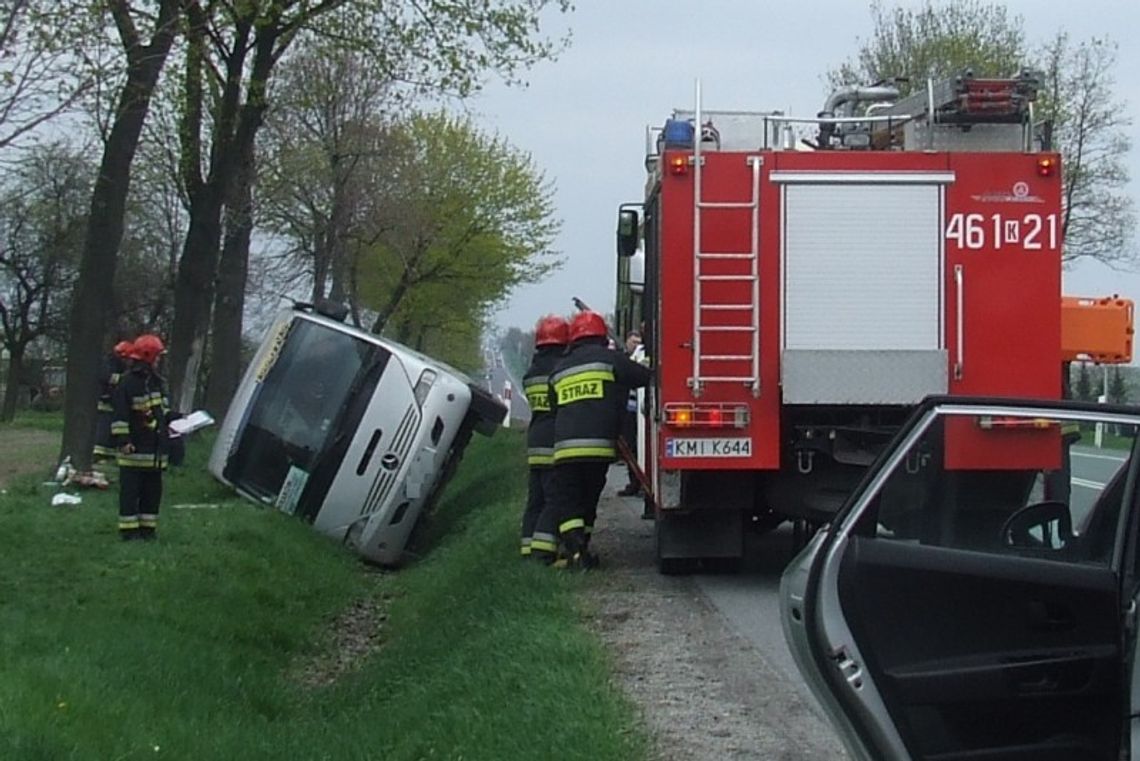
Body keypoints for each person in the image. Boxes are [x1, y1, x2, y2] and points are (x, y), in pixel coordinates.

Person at [534, 310, 652, 569]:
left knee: (568, 501)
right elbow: (644, 377)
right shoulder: (609, 360)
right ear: (601, 337)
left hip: (565, 451)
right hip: (599, 450)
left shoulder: (559, 371)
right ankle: (582, 551)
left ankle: (576, 551)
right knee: (588, 498)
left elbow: (554, 409)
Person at [110, 333, 173, 541]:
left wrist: (179, 420)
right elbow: (120, 415)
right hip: (134, 450)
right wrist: (124, 441)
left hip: (155, 452)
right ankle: (128, 531)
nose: (160, 360)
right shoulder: (127, 383)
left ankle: (148, 530)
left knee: (152, 493)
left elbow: (160, 411)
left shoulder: (155, 382)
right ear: (148, 356)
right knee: (130, 493)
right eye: (158, 356)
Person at [519, 314, 569, 559]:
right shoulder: (561, 372)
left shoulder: (530, 374)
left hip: (535, 442)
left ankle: (527, 548)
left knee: (535, 501)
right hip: (554, 444)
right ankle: (543, 553)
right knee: (555, 501)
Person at [92, 339, 134, 462]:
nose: (129, 362)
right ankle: (99, 454)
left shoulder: (113, 363)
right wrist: (125, 380)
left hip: (114, 403)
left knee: (111, 430)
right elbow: (108, 378)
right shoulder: (109, 364)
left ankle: (109, 454)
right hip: (106, 402)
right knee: (104, 430)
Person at [617, 330, 643, 498]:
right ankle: (634, 482)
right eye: (632, 341)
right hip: (628, 411)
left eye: (637, 342)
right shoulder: (623, 357)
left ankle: (637, 483)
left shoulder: (640, 356)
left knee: (636, 448)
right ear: (626, 342)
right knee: (630, 448)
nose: (635, 344)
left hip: (638, 411)